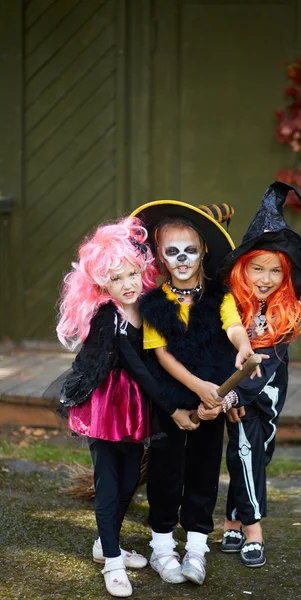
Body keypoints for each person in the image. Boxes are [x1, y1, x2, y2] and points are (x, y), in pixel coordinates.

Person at [130, 200, 257, 586]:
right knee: (166, 474)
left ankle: (197, 548)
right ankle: (163, 547)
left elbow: (234, 326)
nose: (182, 259)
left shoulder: (221, 296)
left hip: (212, 399)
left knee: (203, 472)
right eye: (172, 252)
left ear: (203, 251)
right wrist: (196, 388)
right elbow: (162, 356)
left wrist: (243, 347)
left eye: (189, 250)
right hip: (171, 399)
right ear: (161, 257)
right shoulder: (154, 303)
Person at [198, 181, 301, 568]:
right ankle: (252, 530)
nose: (265, 279)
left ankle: (231, 518)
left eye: (275, 272)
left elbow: (271, 361)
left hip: (267, 391)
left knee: (260, 454)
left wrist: (240, 394)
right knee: (244, 451)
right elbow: (219, 349)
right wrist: (229, 395)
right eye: (257, 269)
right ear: (242, 270)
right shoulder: (230, 306)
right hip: (237, 392)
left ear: (287, 277)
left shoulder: (286, 315)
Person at [56, 216, 160, 598]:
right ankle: (113, 563)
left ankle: (106, 543)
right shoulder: (106, 316)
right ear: (102, 284)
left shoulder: (148, 308)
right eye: (116, 279)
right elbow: (126, 361)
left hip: (136, 405)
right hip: (105, 403)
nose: (127, 284)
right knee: (108, 481)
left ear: (142, 271)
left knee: (132, 476)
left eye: (132, 274)